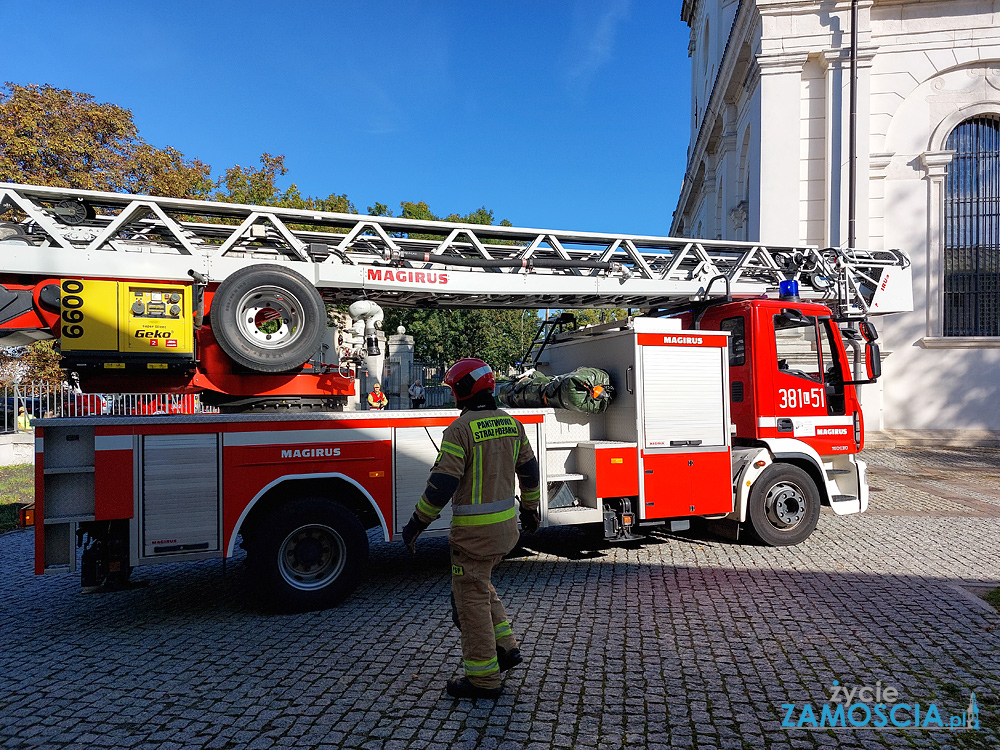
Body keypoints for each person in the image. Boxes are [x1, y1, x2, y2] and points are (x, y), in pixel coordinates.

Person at [401, 358, 541, 699]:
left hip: (473, 537)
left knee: (470, 603)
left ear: (464, 390)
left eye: (453, 389)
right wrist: (530, 510)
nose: (452, 396)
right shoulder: (511, 424)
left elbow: (441, 485)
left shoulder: (460, 430)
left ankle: (484, 680)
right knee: (480, 586)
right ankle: (506, 648)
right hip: (506, 530)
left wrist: (416, 524)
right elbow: (530, 472)